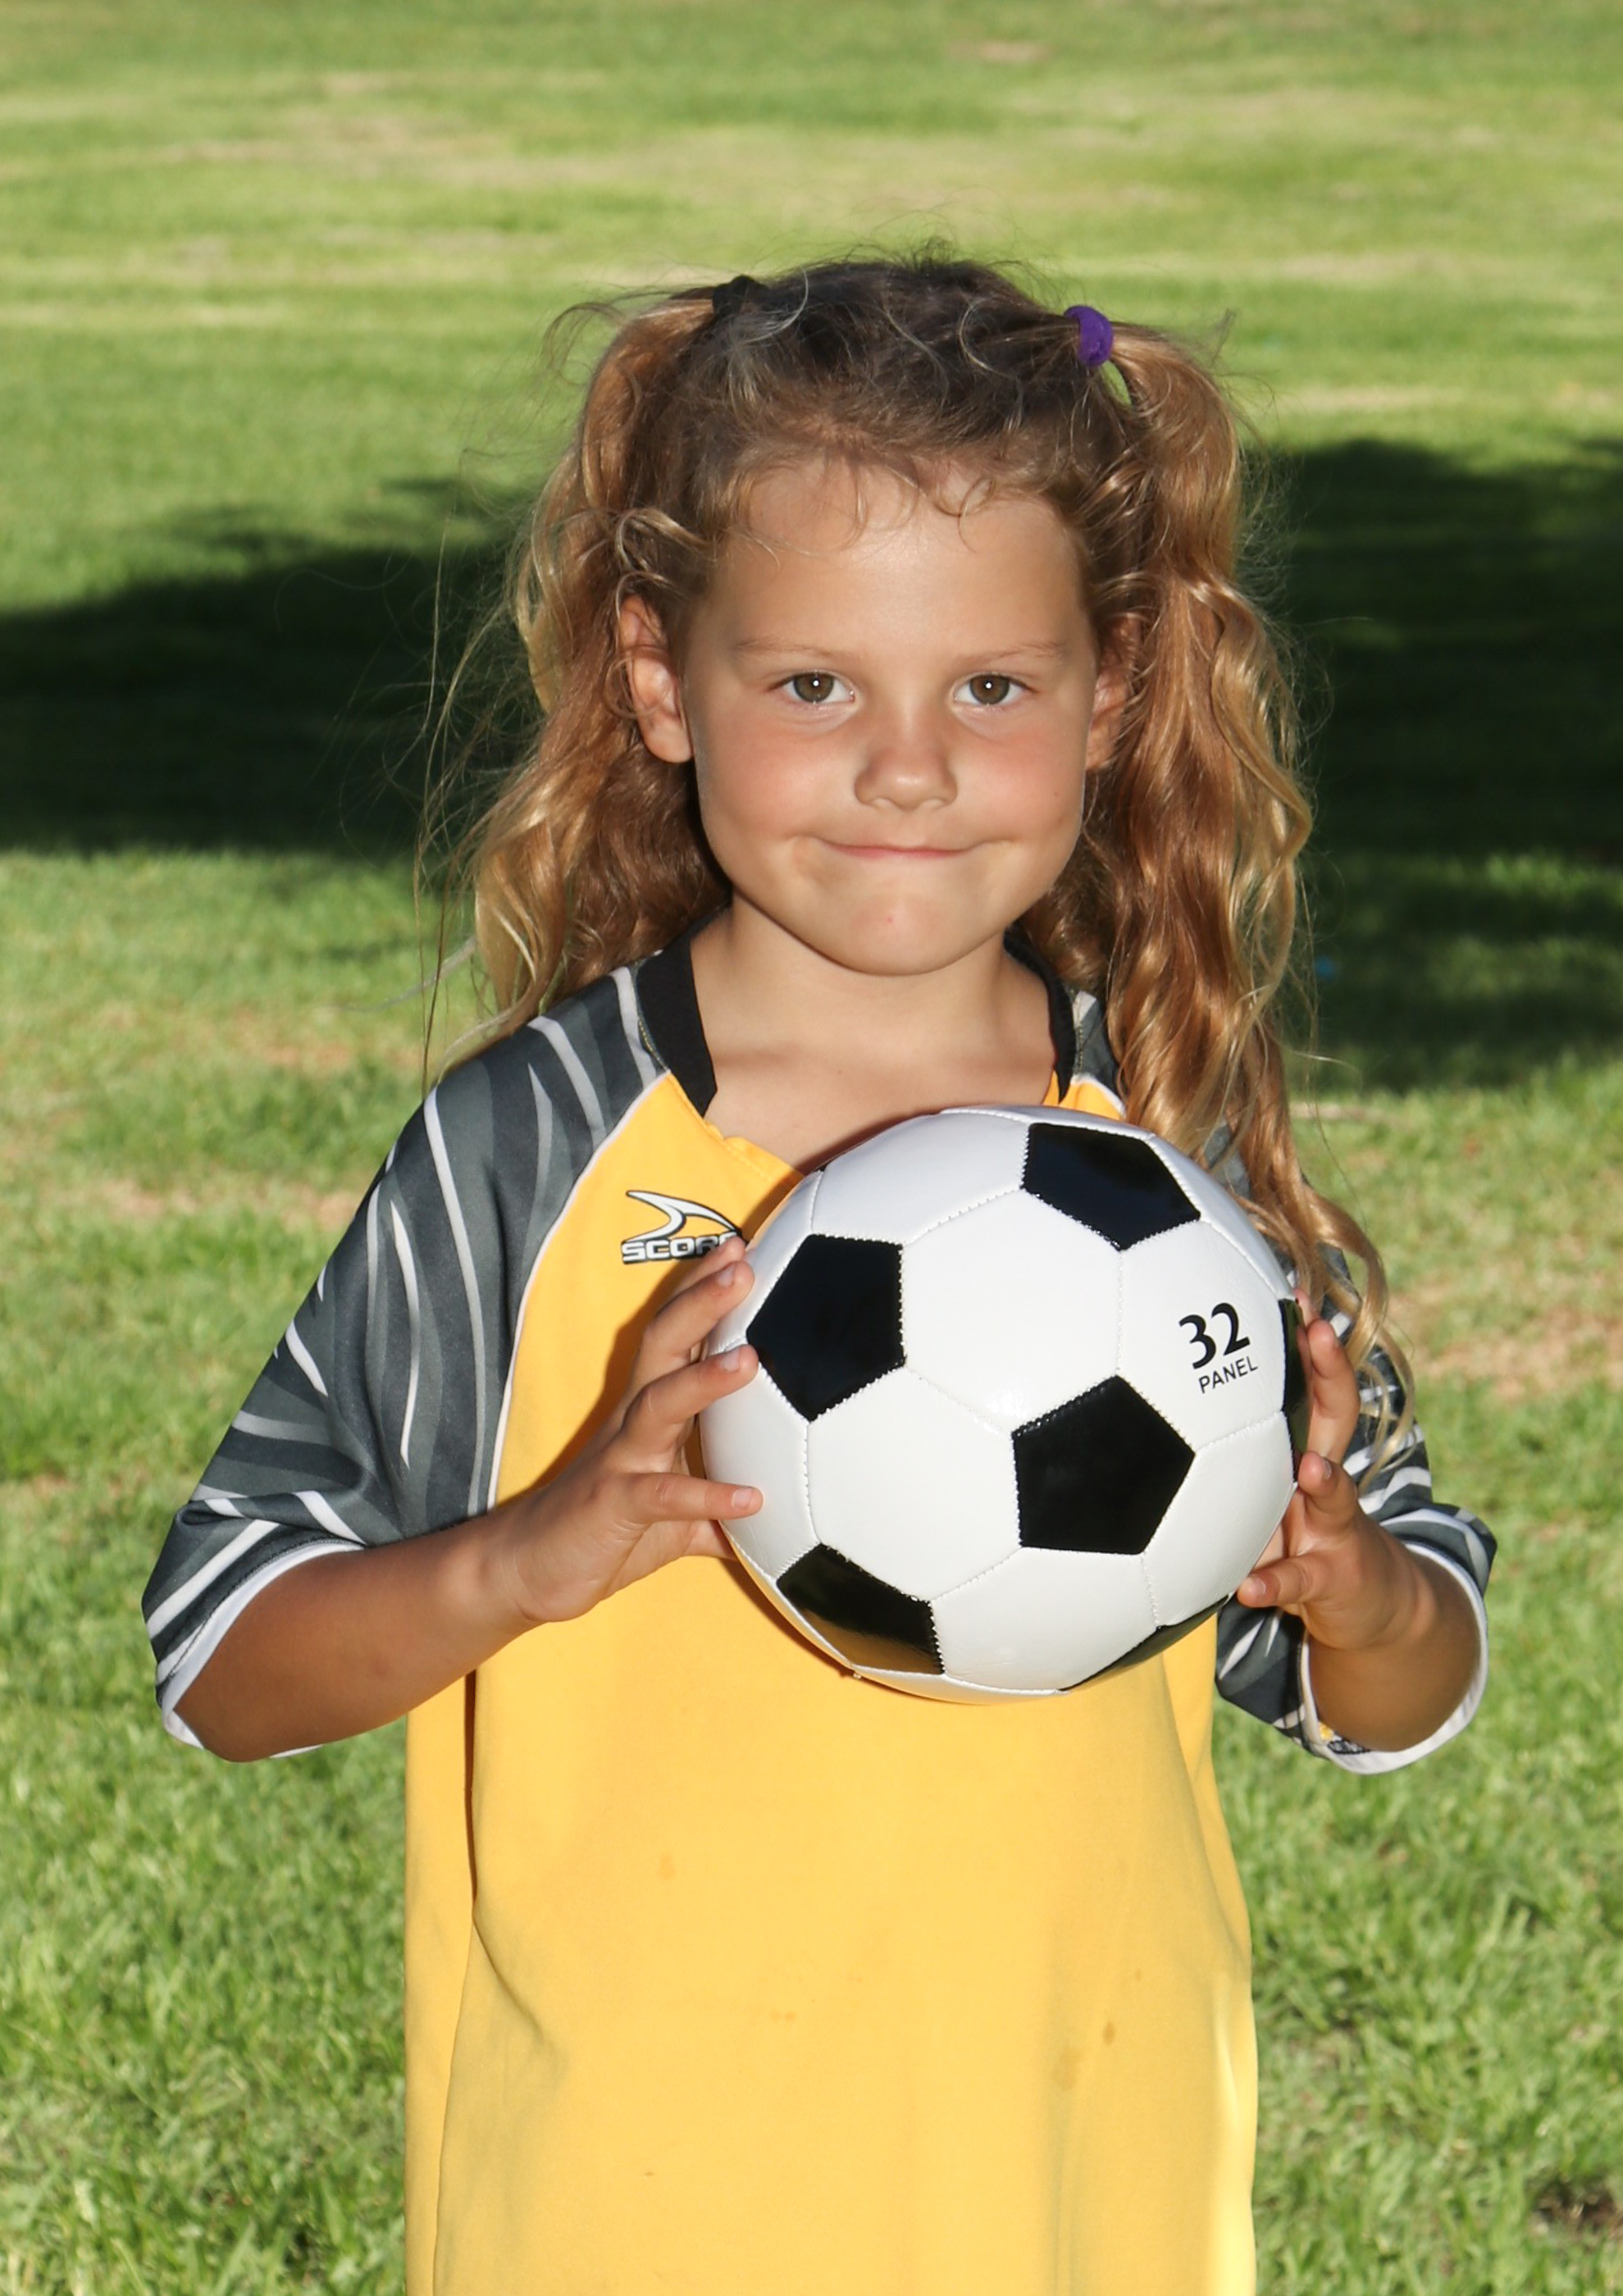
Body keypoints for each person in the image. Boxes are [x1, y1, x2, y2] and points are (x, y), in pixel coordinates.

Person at [143, 255, 1493, 2296]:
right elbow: (223, 1656)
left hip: (1085, 2195)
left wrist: (1354, 1585)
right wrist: (525, 1554)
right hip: (627, 2215)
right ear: (660, 678)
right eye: (813, 686)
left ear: (1113, 690)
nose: (906, 767)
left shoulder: (1162, 1161)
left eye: (991, 687)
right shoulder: (533, 1148)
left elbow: (1407, 1676)